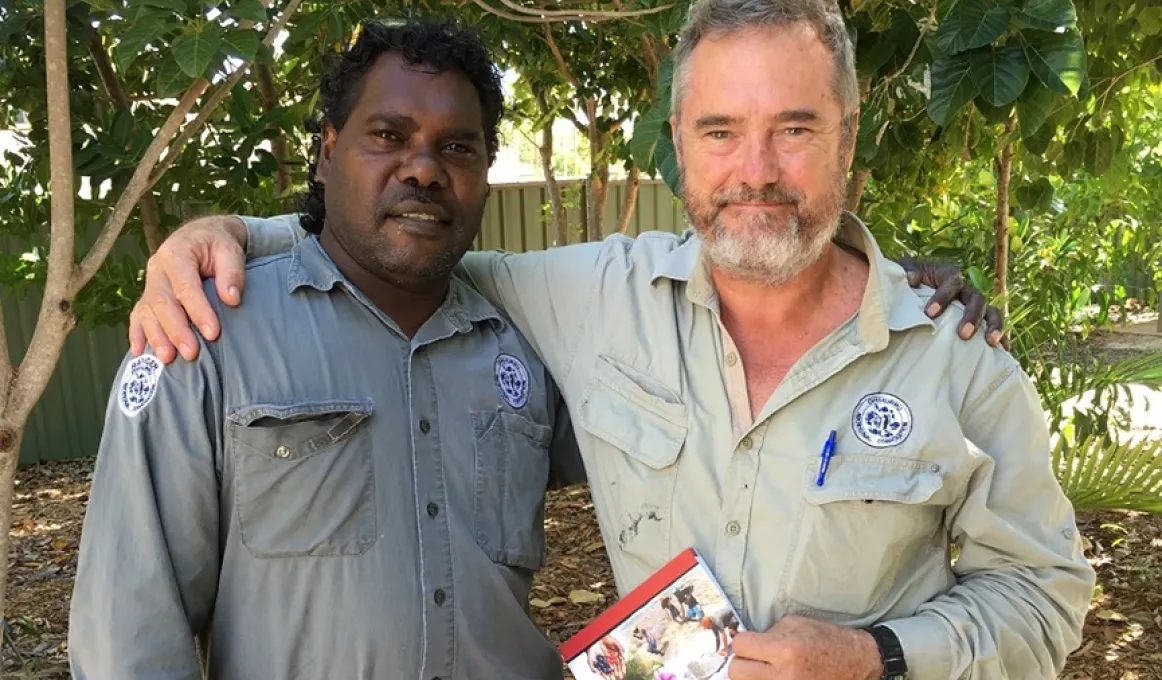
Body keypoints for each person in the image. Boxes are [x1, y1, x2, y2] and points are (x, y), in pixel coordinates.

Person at [129, 0, 1096, 678]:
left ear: (847, 135)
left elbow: (1045, 596)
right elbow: (399, 238)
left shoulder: (954, 355)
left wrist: (878, 658)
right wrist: (226, 235)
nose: (756, 169)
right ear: (678, 139)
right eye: (721, 131)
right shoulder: (594, 295)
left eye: (795, 129)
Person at [68, 20, 584, 680]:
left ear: (485, 173)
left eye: (457, 147)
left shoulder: (526, 345)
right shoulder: (205, 335)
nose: (424, 168)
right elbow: (127, 640)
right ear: (327, 152)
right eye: (389, 136)